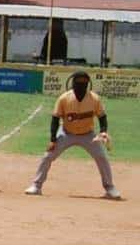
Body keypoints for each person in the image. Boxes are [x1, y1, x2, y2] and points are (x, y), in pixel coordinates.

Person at [24, 71, 121, 200]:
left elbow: (102, 116)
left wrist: (103, 132)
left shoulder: (94, 99)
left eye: (84, 83)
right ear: (73, 83)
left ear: (88, 84)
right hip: (66, 133)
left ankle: (110, 188)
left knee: (101, 157)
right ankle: (36, 186)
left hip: (88, 135)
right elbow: (55, 119)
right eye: (78, 83)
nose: (81, 86)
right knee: (48, 156)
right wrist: (53, 140)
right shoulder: (64, 98)